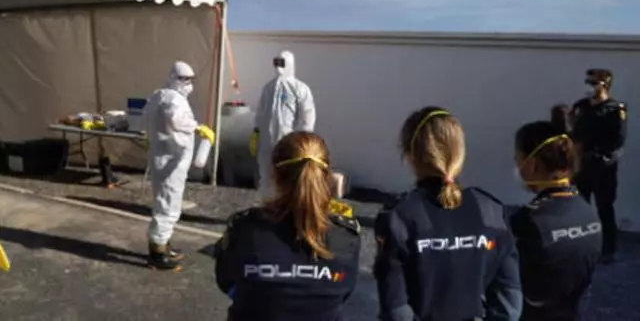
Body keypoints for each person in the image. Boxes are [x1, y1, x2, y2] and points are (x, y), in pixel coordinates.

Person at [374, 107, 522, 321]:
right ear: (460, 153)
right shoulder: (491, 211)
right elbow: (509, 302)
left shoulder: (399, 217)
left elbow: (395, 308)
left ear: (410, 155)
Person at [214, 131, 361, 321]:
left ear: (275, 175)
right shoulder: (346, 237)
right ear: (326, 175)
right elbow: (345, 292)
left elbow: (226, 281)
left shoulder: (245, 229)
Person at [509, 121, 601, 320]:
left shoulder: (528, 220)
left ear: (532, 165)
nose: (517, 167)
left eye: (518, 160)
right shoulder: (589, 212)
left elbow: (509, 286)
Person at [144, 61, 215, 270]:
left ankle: (163, 245)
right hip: (171, 162)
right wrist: (198, 127)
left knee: (166, 203)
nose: (188, 84)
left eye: (190, 80)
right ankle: (157, 254)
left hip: (165, 159)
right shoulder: (173, 99)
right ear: (173, 78)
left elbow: (145, 118)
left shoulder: (159, 95)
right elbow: (175, 120)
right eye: (184, 79)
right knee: (168, 207)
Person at [570, 68, 626, 263]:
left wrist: (601, 157)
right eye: (587, 82)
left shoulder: (615, 109)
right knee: (579, 207)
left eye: (593, 83)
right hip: (581, 166)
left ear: (605, 85)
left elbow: (618, 140)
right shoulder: (580, 106)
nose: (589, 86)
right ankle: (581, 247)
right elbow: (572, 132)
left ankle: (608, 250)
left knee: (604, 207)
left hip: (603, 167)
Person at [250, 51, 316, 200]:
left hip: (288, 144)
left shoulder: (299, 88)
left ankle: (286, 210)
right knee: (266, 177)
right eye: (276, 63)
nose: (278, 67)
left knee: (288, 179)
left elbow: (307, 118)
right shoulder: (268, 88)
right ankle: (267, 207)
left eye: (282, 63)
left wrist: (301, 143)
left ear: (290, 64)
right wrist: (256, 132)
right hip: (266, 144)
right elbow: (260, 113)